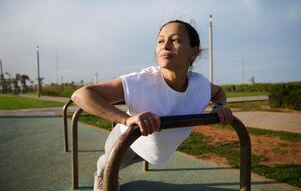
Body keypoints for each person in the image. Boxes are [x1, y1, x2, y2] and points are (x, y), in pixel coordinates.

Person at [71, 20, 233, 191]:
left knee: (137, 160)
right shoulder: (141, 81)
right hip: (127, 143)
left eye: (175, 40)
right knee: (108, 166)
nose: (166, 45)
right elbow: (80, 95)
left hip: (157, 150)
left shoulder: (200, 85)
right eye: (161, 41)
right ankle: (101, 177)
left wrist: (220, 106)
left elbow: (218, 92)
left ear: (194, 52)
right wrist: (127, 120)